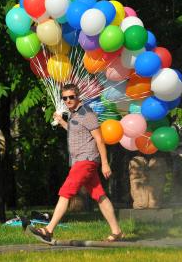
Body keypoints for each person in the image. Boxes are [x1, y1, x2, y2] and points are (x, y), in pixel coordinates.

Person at [28, 83, 123, 243]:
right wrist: (62, 122)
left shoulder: (87, 113)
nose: (68, 100)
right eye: (65, 98)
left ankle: (48, 230)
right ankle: (117, 231)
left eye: (71, 97)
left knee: (65, 192)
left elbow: (99, 139)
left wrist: (105, 163)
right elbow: (76, 132)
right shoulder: (73, 114)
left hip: (85, 161)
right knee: (99, 195)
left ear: (78, 96)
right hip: (80, 160)